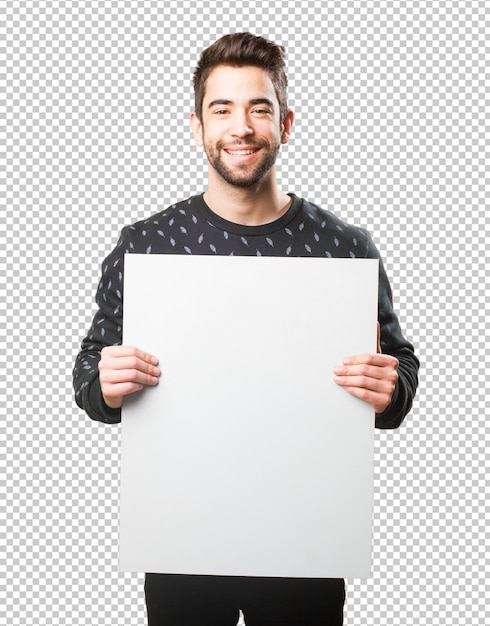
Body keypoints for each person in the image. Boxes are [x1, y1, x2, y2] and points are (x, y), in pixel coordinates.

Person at [73, 32, 419, 626]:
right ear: (196, 125)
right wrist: (104, 383)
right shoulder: (147, 245)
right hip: (181, 539)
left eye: (259, 108)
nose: (242, 126)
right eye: (222, 109)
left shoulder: (345, 248)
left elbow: (400, 372)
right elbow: (88, 374)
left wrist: (391, 391)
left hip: (304, 544)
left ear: (286, 123)